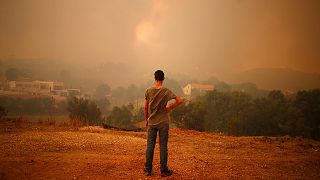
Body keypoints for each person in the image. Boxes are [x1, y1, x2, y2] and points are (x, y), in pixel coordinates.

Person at [143, 70, 182, 177]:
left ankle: (148, 170)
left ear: (155, 78)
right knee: (163, 146)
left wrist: (146, 120)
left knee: (150, 146)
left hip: (152, 122)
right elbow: (179, 100)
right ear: (163, 79)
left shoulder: (149, 90)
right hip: (163, 123)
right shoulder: (166, 91)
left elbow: (145, 106)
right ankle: (164, 171)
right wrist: (170, 107)